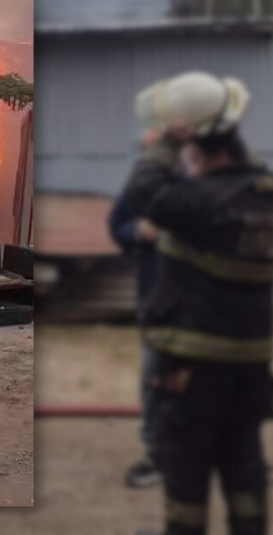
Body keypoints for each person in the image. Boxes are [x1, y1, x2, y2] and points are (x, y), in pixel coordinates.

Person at [123, 74, 273, 535]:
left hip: (191, 377)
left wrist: (162, 146)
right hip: (250, 373)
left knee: (186, 490)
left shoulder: (197, 203)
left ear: (193, 144)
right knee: (245, 472)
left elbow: (146, 192)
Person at [109, 187, 164, 488]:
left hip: (202, 308)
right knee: (155, 381)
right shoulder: (143, 187)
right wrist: (138, 231)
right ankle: (159, 457)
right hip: (157, 307)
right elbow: (118, 227)